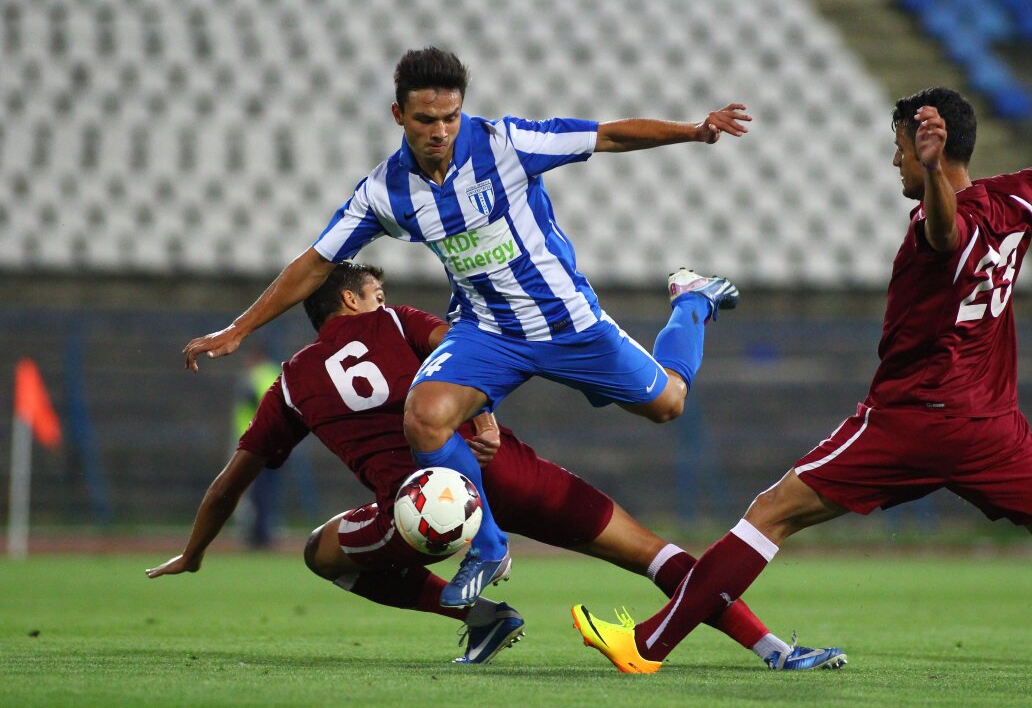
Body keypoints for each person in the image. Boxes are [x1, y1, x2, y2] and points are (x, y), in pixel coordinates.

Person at [567, 84, 1032, 676]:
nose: (894, 161)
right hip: (993, 429)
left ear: (935, 150)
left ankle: (647, 646)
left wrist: (929, 173)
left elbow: (947, 230)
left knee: (770, 513)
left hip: (911, 419)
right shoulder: (1017, 196)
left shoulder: (939, 221)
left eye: (901, 149)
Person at [182, 47, 749, 606]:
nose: (440, 130)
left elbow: (608, 135)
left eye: (451, 117)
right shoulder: (385, 192)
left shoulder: (505, 143)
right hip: (488, 331)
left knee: (668, 403)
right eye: (426, 119)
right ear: (398, 115)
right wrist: (240, 328)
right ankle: (489, 546)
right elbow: (315, 264)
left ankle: (692, 302)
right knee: (425, 416)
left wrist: (694, 130)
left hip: (567, 321)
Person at [153, 262, 844, 670]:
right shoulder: (396, 324)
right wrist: (482, 417)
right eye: (375, 290)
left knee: (320, 552)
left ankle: (480, 614)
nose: (383, 299)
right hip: (504, 468)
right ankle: (776, 650)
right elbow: (467, 349)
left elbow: (230, 482)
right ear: (348, 300)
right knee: (654, 553)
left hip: (424, 512)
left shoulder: (293, 382)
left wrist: (193, 551)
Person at [231, 347, 282, 548]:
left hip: (257, 444)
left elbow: (258, 408)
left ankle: (258, 536)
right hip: (276, 442)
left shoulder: (255, 377)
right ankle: (263, 532)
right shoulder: (275, 374)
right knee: (266, 490)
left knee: (257, 491)